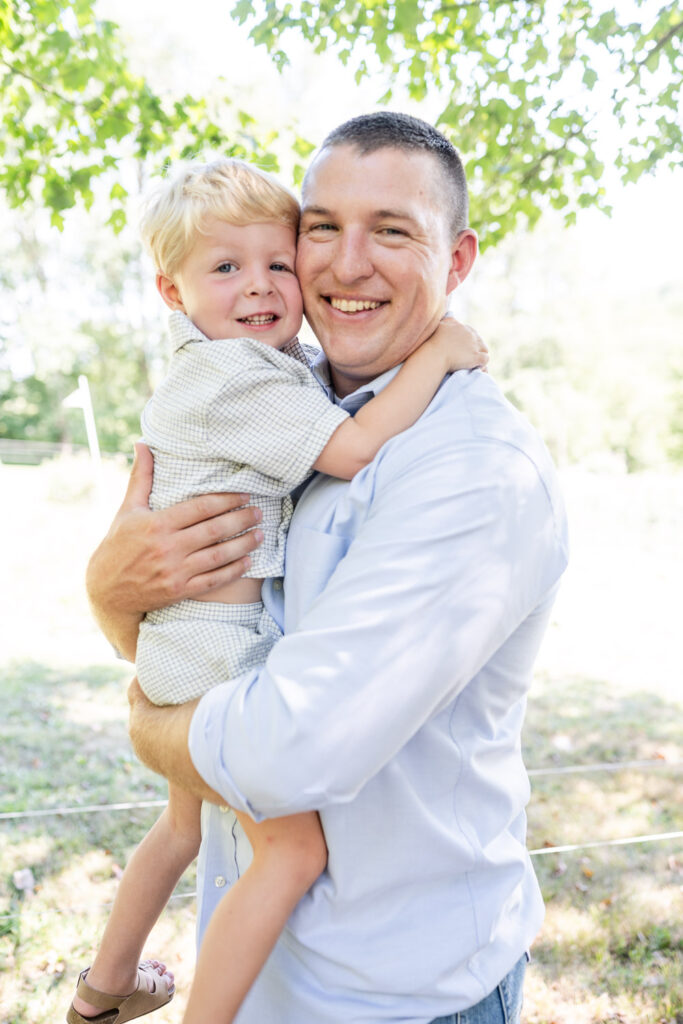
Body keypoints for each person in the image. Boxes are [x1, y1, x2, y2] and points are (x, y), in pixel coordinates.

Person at [86, 112, 569, 1024]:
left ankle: (105, 991)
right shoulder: (295, 396)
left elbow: (285, 750)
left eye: (390, 231)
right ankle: (104, 991)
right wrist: (110, 594)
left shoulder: (472, 471)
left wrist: (149, 722)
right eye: (321, 228)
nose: (346, 265)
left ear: (457, 260)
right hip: (269, 979)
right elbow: (194, 598)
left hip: (390, 994)